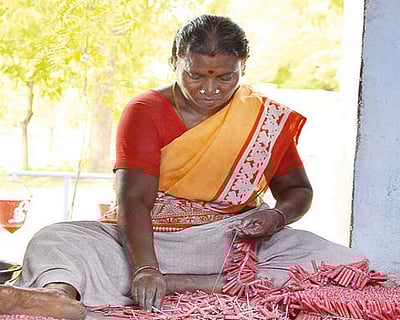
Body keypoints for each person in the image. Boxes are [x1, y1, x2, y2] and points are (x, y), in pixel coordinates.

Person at [0, 14, 365, 320]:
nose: (210, 88)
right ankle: (57, 296)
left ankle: (169, 283)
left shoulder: (261, 118)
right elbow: (134, 200)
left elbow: (297, 190)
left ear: (242, 68)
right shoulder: (146, 110)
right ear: (175, 61)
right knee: (56, 238)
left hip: (230, 239)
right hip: (149, 237)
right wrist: (145, 266)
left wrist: (277, 218)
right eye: (196, 75)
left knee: (339, 261)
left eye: (225, 77)